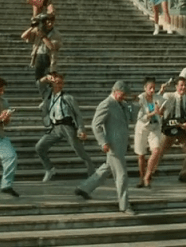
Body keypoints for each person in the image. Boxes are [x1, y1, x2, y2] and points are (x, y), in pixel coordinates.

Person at [75, 81, 136, 216]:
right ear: (115, 91)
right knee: (121, 175)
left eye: (125, 95)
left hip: (121, 144)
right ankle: (124, 205)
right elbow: (96, 125)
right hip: (113, 145)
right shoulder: (106, 104)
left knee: (106, 169)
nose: (124, 97)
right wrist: (102, 142)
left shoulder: (123, 104)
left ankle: (84, 188)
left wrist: (132, 103)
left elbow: (132, 118)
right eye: (122, 94)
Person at [35, 72, 95, 182]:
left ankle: (92, 173)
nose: (59, 85)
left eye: (61, 83)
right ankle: (49, 169)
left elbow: (78, 114)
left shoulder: (68, 97)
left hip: (67, 126)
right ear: (52, 83)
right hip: (54, 127)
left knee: (80, 151)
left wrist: (81, 129)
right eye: (57, 82)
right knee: (39, 147)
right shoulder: (47, 95)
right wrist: (46, 78)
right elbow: (39, 84)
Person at [142, 77, 186, 187]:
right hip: (168, 129)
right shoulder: (168, 96)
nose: (183, 87)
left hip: (183, 130)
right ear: (176, 86)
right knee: (158, 151)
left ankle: (184, 174)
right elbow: (155, 102)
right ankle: (149, 173)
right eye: (181, 85)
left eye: (185, 85)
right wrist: (161, 91)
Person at [134, 77, 165, 186]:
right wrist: (152, 113)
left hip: (154, 127)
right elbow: (140, 117)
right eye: (150, 88)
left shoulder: (158, 97)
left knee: (156, 150)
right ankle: (141, 177)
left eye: (154, 88)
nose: (152, 90)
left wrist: (161, 112)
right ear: (145, 88)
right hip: (142, 127)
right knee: (141, 155)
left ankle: (147, 176)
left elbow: (164, 107)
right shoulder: (140, 99)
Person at [22, 13, 61, 96]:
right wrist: (33, 27)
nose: (49, 24)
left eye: (51, 22)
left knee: (50, 79)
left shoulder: (56, 34)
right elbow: (23, 36)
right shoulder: (39, 30)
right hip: (38, 56)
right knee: (38, 79)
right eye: (48, 22)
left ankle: (49, 95)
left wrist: (43, 36)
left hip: (49, 58)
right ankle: (44, 95)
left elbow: (51, 47)